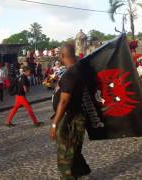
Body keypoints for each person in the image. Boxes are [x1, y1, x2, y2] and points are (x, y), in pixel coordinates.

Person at [50, 44, 91, 179]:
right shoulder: (78, 68)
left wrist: (55, 123)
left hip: (70, 119)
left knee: (65, 156)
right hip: (74, 115)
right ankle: (81, 172)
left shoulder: (70, 74)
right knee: (74, 149)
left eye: (59, 55)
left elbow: (64, 101)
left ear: (62, 56)